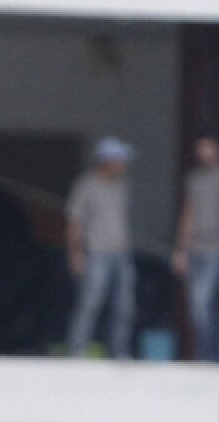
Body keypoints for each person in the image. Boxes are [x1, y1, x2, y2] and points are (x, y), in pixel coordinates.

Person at [66, 136, 137, 360]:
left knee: (124, 306)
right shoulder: (86, 185)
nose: (124, 165)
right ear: (107, 160)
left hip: (122, 253)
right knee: (91, 302)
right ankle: (78, 348)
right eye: (120, 160)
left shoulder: (122, 187)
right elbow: (75, 222)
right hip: (96, 253)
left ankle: (119, 350)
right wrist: (76, 254)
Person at [172, 136, 219, 362]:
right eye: (200, 147)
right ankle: (205, 353)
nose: (203, 152)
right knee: (198, 306)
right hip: (195, 249)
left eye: (207, 147)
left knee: (210, 303)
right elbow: (188, 213)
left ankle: (212, 354)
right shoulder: (194, 179)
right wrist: (180, 251)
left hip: (218, 250)